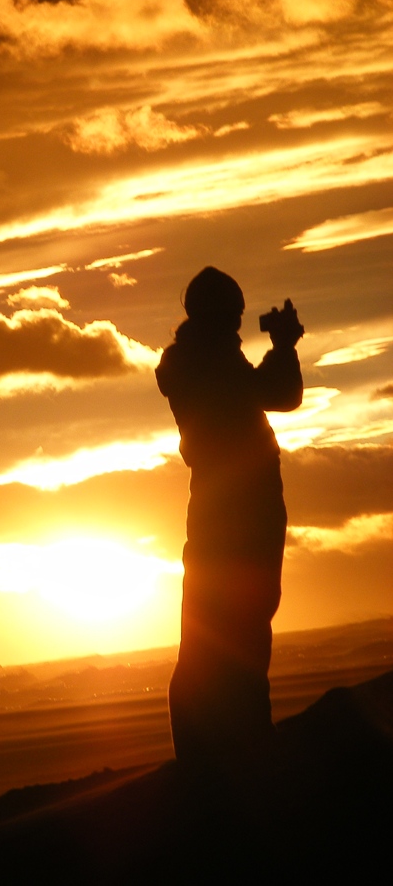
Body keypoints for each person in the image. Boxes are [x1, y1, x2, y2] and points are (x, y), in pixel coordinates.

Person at [155, 267, 303, 771]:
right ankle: (242, 747)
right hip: (244, 507)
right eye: (234, 316)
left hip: (217, 506)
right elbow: (279, 394)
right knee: (241, 623)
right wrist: (283, 345)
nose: (240, 326)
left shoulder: (193, 358)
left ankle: (206, 750)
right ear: (220, 316)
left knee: (207, 629)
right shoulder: (212, 358)